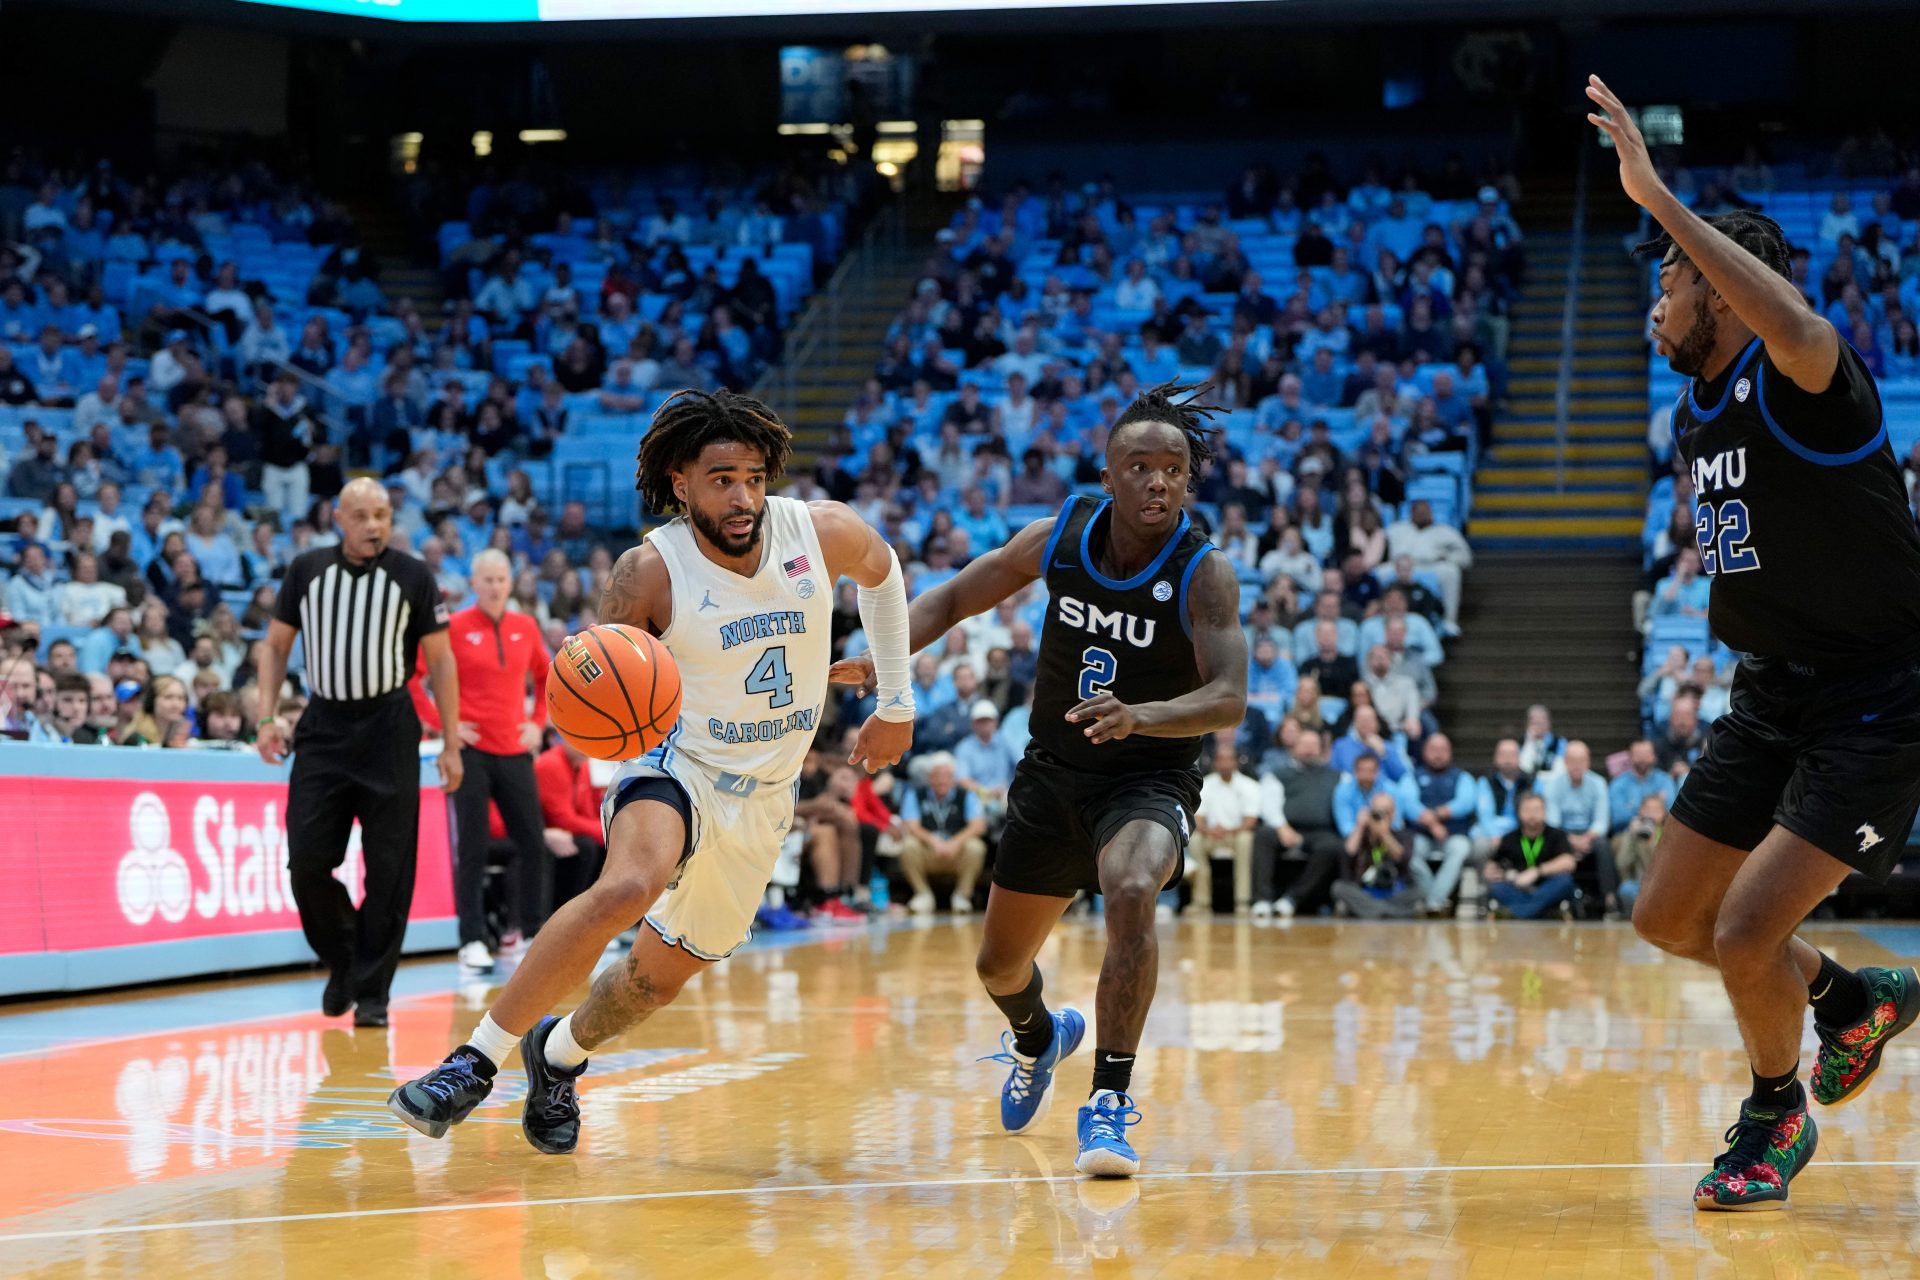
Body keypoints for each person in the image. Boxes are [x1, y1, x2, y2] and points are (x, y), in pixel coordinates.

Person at [388, 389, 914, 1156]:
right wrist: (596, 714)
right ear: (680, 482)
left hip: (764, 795)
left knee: (652, 984)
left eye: (755, 478)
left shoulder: (820, 531)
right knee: (628, 885)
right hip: (675, 762)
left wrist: (897, 698)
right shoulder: (647, 573)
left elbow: (885, 571)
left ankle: (559, 1052)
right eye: (722, 479)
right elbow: (595, 680)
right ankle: (472, 1062)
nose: (744, 498)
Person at [1592, 74, 1920, 1212]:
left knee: (1740, 930)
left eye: (1669, 280)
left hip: (1877, 699)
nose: (1656, 301)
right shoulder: (1697, 408)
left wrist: (1660, 198)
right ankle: (1845, 996)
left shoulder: (1810, 377)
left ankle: (1775, 1115)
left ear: (1721, 290)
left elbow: (1796, 320)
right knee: (1666, 916)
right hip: (1770, 692)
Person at [832, 380, 1248, 1178]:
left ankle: (1110, 1101)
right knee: (997, 967)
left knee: (1131, 887)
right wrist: (888, 660)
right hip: (1052, 776)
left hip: (1147, 779)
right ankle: (1038, 1036)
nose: (1157, 481)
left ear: (1189, 481)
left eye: (1173, 468)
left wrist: (1143, 716)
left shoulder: (1205, 572)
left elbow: (1226, 699)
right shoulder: (1061, 534)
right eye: (1140, 466)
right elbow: (955, 595)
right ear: (1108, 472)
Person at [254, 478, 464, 1027]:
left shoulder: (414, 576)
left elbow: (441, 663)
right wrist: (267, 716)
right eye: (364, 515)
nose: (375, 526)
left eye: (384, 515)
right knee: (306, 862)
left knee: (391, 870)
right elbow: (275, 647)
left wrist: (450, 740)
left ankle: (372, 994)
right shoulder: (306, 570)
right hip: (323, 726)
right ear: (338, 519)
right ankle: (343, 958)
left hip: (390, 727)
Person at [410, 548, 553, 973]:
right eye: (487, 579)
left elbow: (549, 677)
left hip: (514, 750)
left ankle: (531, 933)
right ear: (473, 584)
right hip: (469, 752)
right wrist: (443, 725)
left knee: (533, 843)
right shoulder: (451, 627)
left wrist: (538, 724)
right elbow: (413, 678)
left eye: (501, 579)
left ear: (511, 584)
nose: (494, 587)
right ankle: (471, 940)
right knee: (471, 847)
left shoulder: (526, 627)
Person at [897, 751, 988, 914]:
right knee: (908, 845)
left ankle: (962, 896)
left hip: (956, 851)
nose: (941, 780)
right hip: (929, 851)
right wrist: (934, 841)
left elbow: (978, 826)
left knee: (976, 847)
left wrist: (955, 842)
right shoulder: (916, 795)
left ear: (953, 778)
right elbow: (910, 825)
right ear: (930, 778)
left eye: (946, 775)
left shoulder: (966, 795)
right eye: (937, 775)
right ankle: (923, 894)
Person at [1189, 738, 1263, 915]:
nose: (1225, 763)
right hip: (1211, 835)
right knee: (1195, 840)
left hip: (1236, 835)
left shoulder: (1250, 785)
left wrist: (1227, 831)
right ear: (1215, 762)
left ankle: (1242, 902)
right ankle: (1201, 903)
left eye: (1229, 759)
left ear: (1236, 762)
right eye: (1221, 759)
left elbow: (1251, 821)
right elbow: (1198, 817)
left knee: (1246, 840)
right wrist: (1209, 830)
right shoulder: (1205, 783)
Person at [1486, 792, 1576, 919]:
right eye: (1527, 810)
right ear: (1518, 812)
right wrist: (1499, 873)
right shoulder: (1508, 838)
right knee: (1496, 888)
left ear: (1545, 812)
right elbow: (1492, 867)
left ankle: (1518, 913)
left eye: (1536, 810)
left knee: (1565, 882)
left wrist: (1537, 871)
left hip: (1546, 886)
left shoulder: (1557, 835)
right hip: (1518, 888)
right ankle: (1542, 912)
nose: (1532, 815)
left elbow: (1569, 862)